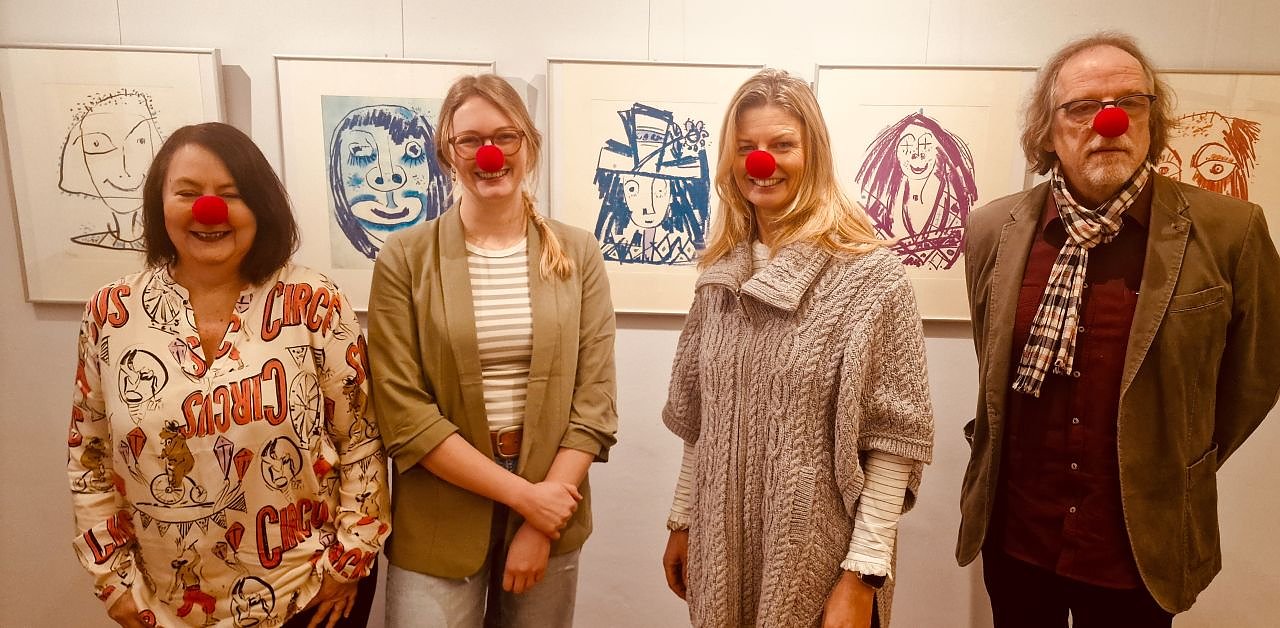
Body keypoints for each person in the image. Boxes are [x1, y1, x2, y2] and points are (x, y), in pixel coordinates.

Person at [958, 32, 1280, 626]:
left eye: (1130, 102)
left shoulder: (1231, 231)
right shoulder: (991, 230)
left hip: (1140, 545)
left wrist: (1174, 454)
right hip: (1018, 539)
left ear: (1153, 119)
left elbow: (1256, 377)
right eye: (1082, 107)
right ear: (1047, 131)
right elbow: (991, 360)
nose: (1109, 122)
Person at [67, 122, 391, 628]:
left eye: (231, 194)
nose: (209, 210)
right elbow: (88, 454)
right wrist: (113, 581)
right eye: (187, 193)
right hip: (164, 605)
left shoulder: (315, 303)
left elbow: (361, 440)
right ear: (159, 204)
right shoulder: (110, 313)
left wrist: (349, 560)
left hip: (310, 592)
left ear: (260, 206)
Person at [660, 68, 935, 628]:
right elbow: (700, 420)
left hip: (819, 560)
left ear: (814, 154)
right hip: (720, 547)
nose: (762, 161)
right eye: (746, 147)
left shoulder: (871, 277)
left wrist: (864, 575)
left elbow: (894, 441)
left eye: (782, 144)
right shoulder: (720, 277)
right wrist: (682, 519)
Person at [368, 74, 618, 628]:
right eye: (471, 140)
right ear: (447, 152)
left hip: (553, 503)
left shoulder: (578, 252)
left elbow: (595, 402)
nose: (490, 154)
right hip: (441, 512)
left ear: (529, 145)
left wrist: (539, 518)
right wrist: (526, 499)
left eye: (506, 136)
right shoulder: (404, 257)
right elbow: (403, 414)